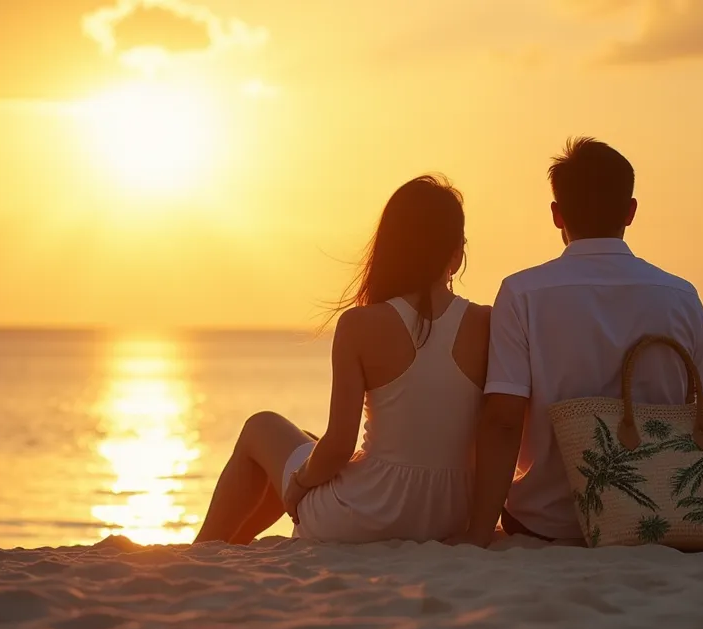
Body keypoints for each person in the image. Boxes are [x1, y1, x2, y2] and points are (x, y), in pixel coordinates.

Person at [193, 175, 491, 545]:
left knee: (261, 427)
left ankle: (205, 547)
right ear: (456, 251)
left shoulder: (360, 324)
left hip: (371, 513)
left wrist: (299, 486)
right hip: (448, 513)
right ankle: (232, 546)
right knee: (305, 441)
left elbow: (338, 446)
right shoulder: (487, 323)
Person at [447, 137, 703, 547]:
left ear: (557, 215)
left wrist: (479, 534)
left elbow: (503, 420)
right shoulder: (682, 296)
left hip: (546, 524)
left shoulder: (522, 294)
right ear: (631, 211)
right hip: (656, 522)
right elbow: (699, 413)